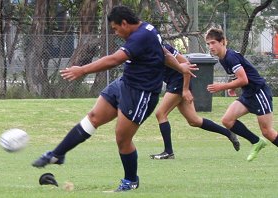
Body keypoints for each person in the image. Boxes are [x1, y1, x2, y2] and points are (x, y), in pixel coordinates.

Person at [32, 5, 196, 192]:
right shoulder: (147, 30)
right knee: (93, 117)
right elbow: (164, 53)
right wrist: (180, 67)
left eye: (116, 29)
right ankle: (58, 154)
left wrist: (82, 69)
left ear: (124, 23)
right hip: (124, 83)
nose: (116, 33)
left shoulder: (141, 36)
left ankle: (131, 181)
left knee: (122, 138)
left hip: (141, 92)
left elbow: (114, 60)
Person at [150, 43, 240, 160]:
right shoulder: (146, 50)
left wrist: (186, 89)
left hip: (179, 82)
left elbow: (187, 65)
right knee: (194, 121)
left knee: (160, 114)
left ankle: (168, 152)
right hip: (174, 83)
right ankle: (228, 133)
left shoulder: (164, 48)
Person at [205, 27, 278, 161]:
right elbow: (238, 77)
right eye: (208, 44)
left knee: (267, 131)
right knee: (227, 120)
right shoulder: (223, 58)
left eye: (213, 43)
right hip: (248, 94)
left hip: (258, 93)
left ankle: (260, 140)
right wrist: (232, 86)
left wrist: (222, 86)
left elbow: (244, 79)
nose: (210, 46)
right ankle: (256, 142)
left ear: (222, 42)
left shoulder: (231, 57)